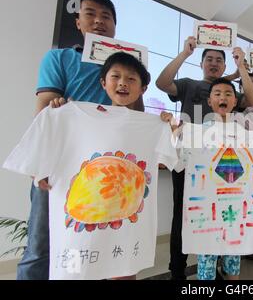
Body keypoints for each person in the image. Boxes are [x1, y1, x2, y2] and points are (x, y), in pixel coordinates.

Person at [5, 52, 177, 280]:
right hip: (81, 225)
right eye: (116, 76)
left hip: (123, 222)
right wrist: (57, 117)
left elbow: (171, 159)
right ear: (103, 82)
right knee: (78, 269)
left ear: (143, 89)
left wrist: (169, 128)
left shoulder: (151, 125)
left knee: (123, 270)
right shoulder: (69, 114)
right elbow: (40, 153)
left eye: (131, 79)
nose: (123, 82)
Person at [18, 0, 144, 280]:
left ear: (115, 26)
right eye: (90, 14)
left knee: (89, 243)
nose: (99, 21)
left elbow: (135, 117)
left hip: (104, 171)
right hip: (61, 164)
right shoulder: (59, 58)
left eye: (106, 17)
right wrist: (43, 162)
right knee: (40, 244)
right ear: (78, 23)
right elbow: (45, 109)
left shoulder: (125, 67)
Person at [156, 38, 253, 279]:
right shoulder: (189, 85)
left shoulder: (230, 93)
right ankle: (178, 269)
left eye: (219, 60)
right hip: (188, 160)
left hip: (223, 163)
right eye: (209, 59)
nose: (214, 63)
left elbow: (251, 101)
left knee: (222, 211)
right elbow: (162, 83)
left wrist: (241, 65)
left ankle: (218, 262)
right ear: (201, 63)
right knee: (183, 213)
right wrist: (184, 53)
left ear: (224, 67)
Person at [160, 78, 244, 280]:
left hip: (236, 207)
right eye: (217, 94)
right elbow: (179, 164)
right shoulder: (197, 132)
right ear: (209, 102)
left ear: (235, 102)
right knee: (206, 258)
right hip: (208, 210)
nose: (222, 97)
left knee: (233, 257)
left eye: (228, 94)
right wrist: (173, 134)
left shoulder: (245, 134)